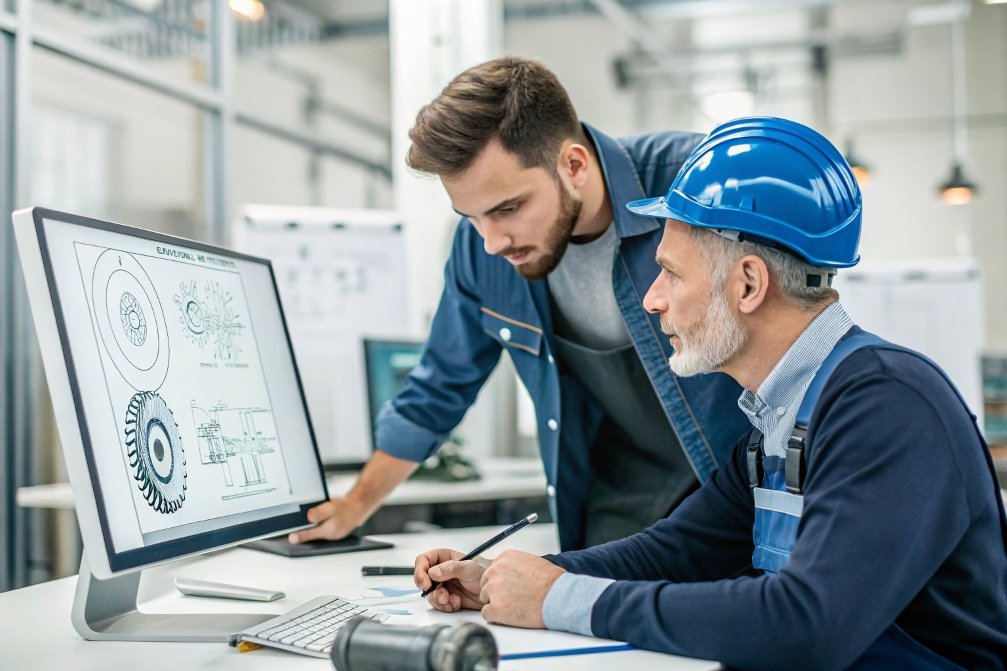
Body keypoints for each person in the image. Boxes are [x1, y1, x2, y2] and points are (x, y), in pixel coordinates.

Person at [413, 117, 1007, 670]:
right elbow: (676, 551)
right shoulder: (779, 420)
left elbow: (806, 625)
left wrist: (560, 599)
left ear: (748, 283)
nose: (652, 299)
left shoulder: (885, 405)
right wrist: (509, 576)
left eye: (670, 271)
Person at [290, 57, 750, 551]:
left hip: (743, 484)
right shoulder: (482, 250)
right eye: (471, 216)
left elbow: (798, 335)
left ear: (573, 165)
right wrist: (355, 504)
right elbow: (437, 389)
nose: (491, 241)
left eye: (508, 208)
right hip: (627, 502)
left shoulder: (697, 184)